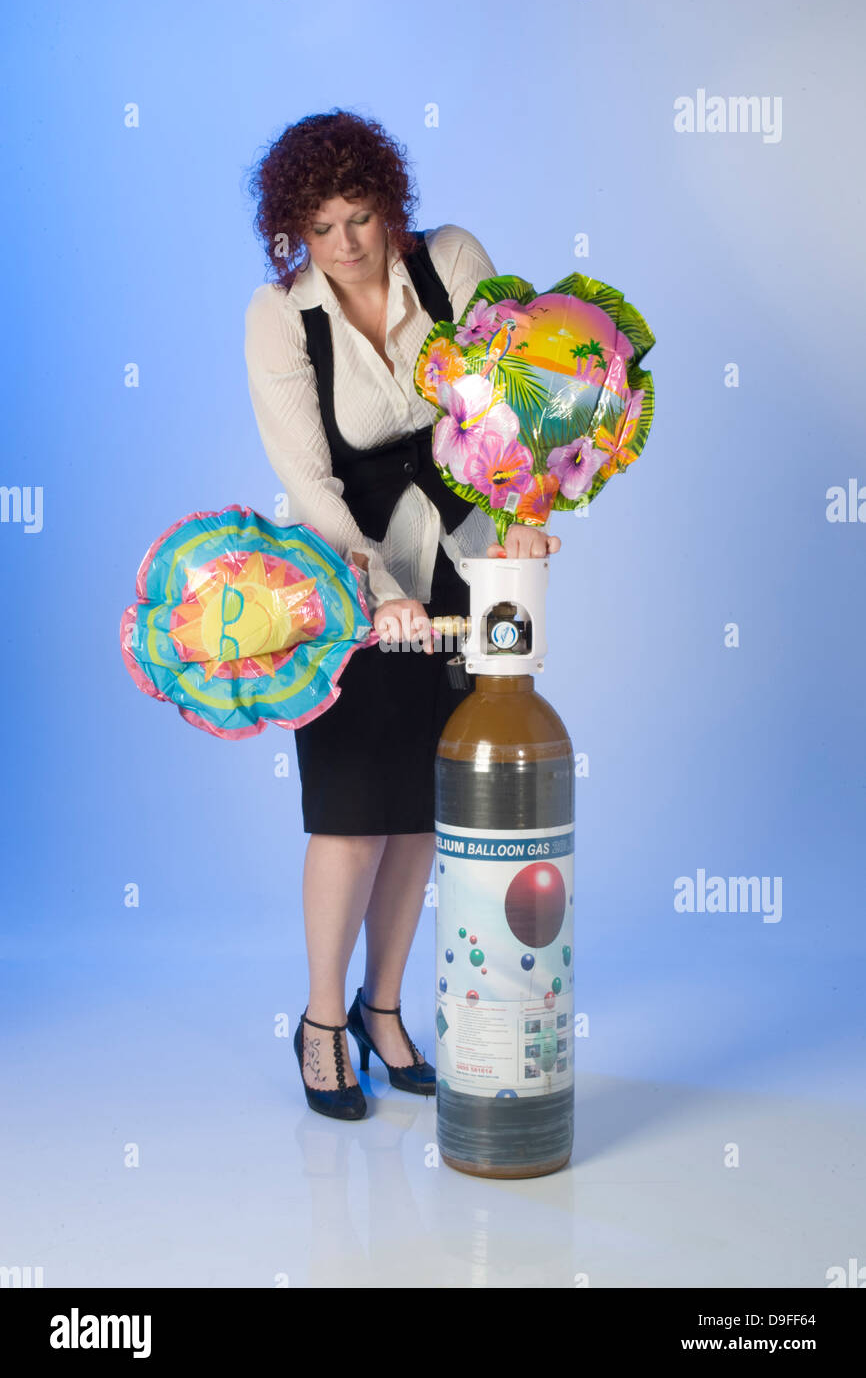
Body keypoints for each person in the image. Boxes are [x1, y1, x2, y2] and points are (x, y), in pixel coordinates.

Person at [244, 109, 560, 1121]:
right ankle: (324, 1022)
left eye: (362, 217)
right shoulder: (279, 317)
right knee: (349, 813)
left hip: (465, 558)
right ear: (292, 229)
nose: (345, 244)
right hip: (343, 570)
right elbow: (308, 481)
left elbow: (511, 399)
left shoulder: (453, 263)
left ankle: (385, 1011)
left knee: (424, 807)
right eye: (321, 226)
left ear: (391, 207)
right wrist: (378, 595)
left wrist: (519, 513)